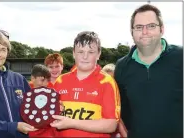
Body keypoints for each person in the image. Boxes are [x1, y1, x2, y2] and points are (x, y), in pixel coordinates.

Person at [114, 4, 183, 138]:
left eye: (151, 26)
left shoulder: (180, 57)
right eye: (139, 27)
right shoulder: (122, 66)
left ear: (162, 29)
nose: (145, 32)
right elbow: (118, 110)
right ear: (132, 31)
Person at [50, 31, 121, 137]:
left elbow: (111, 124)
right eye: (80, 52)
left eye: (91, 52)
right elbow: (49, 118)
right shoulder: (60, 81)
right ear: (74, 53)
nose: (85, 56)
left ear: (98, 54)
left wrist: (72, 122)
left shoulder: (107, 82)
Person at [27, 64, 57, 137]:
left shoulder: (52, 94)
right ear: (33, 78)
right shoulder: (26, 94)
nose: (45, 84)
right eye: (42, 80)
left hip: (48, 134)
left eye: (48, 81)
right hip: (30, 133)